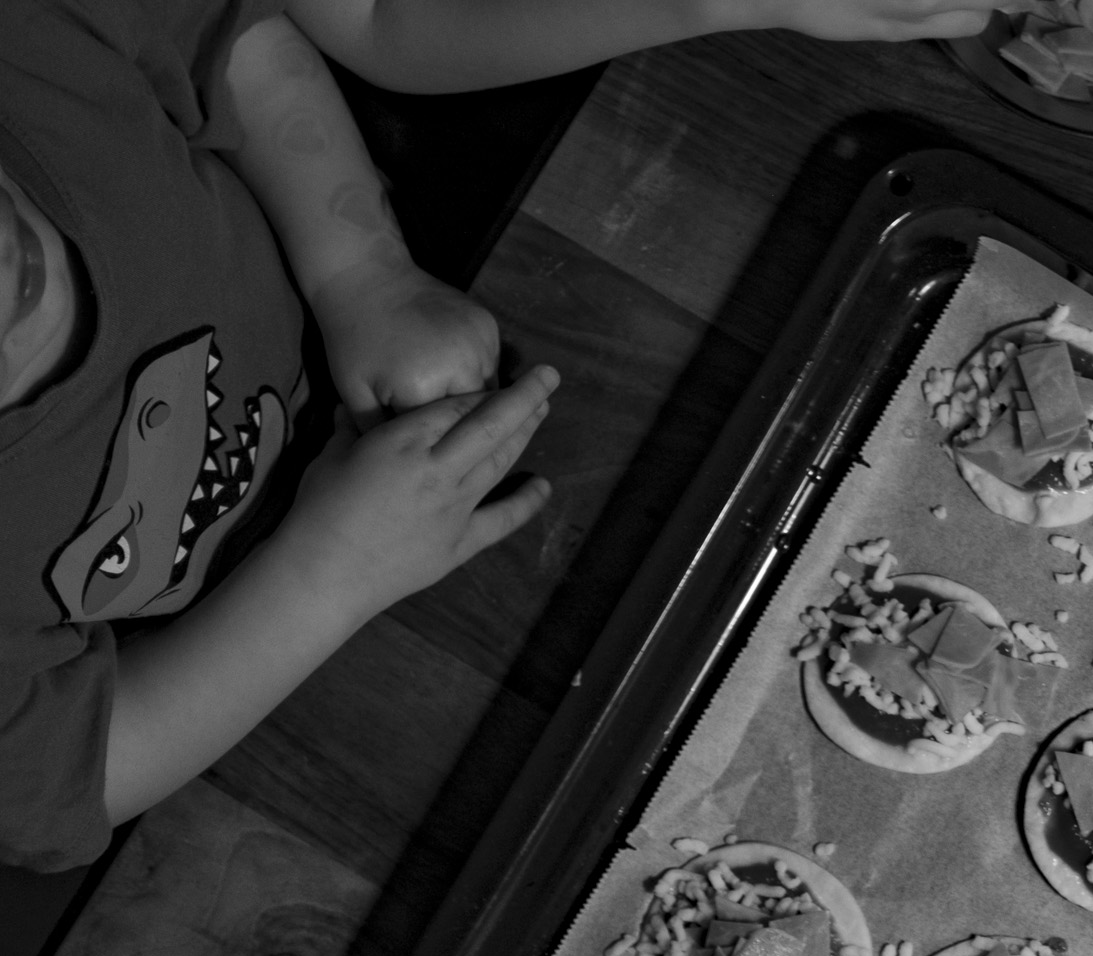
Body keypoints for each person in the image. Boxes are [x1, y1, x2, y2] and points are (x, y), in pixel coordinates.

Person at [0, 0, 993, 870]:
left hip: (386, 331)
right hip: (298, 658)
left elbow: (233, 36)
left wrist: (361, 271)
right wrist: (332, 570)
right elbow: (76, 782)